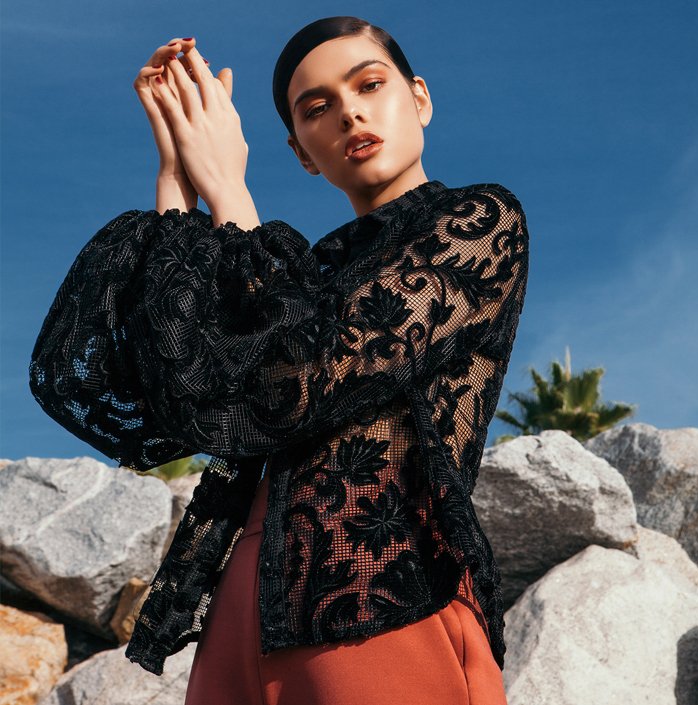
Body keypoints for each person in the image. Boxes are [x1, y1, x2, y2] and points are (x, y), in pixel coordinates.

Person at [29, 15, 530, 705]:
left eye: (370, 85)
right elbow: (162, 392)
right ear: (302, 153)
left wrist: (230, 191)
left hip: (382, 593)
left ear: (419, 98)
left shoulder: (480, 220)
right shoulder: (302, 273)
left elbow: (303, 378)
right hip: (245, 602)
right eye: (316, 108)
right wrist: (178, 182)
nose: (349, 113)